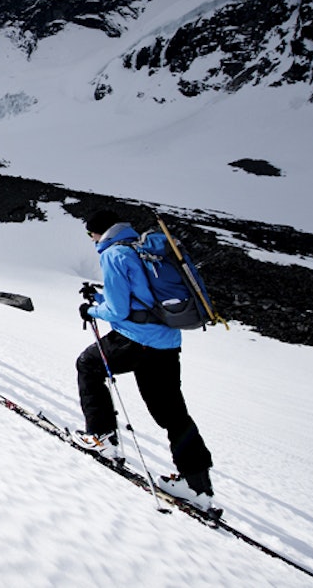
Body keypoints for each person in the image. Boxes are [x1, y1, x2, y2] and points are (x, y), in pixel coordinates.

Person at [74, 209, 217, 512]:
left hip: (135, 340)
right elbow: (141, 300)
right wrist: (98, 298)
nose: (91, 239)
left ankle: (101, 437)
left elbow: (119, 311)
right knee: (172, 413)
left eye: (90, 233)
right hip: (167, 342)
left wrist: (91, 310)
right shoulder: (141, 248)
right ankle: (197, 485)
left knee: (88, 364)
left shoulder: (113, 255)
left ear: (100, 231)